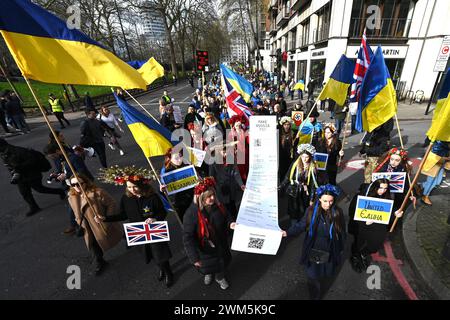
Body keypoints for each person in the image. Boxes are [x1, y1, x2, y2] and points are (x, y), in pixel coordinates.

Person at [98, 168, 174, 287]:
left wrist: (155, 219)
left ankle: (168, 272)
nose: (132, 190)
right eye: (128, 187)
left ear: (141, 185)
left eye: (134, 187)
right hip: (139, 232)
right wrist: (105, 219)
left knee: (160, 254)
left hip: (154, 229)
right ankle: (161, 268)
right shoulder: (126, 198)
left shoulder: (152, 197)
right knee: (151, 254)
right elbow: (123, 215)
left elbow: (162, 212)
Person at [281, 184, 346, 300]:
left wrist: (340, 248)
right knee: (312, 275)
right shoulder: (311, 211)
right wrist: (287, 232)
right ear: (319, 198)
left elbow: (341, 233)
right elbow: (301, 225)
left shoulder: (338, 212)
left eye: (331, 201)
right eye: (325, 201)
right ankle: (314, 296)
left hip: (329, 247)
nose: (328, 204)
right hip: (313, 247)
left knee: (325, 271)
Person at [183, 177, 236, 290]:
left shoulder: (218, 205)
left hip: (221, 244)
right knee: (208, 266)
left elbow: (227, 216)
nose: (212, 198)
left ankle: (219, 277)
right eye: (208, 196)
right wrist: (194, 258)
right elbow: (188, 238)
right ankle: (208, 273)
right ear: (201, 198)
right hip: (205, 249)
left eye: (213, 195)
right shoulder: (191, 214)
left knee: (222, 264)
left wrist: (231, 223)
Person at [67, 174, 123, 275]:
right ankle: (99, 262)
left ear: (85, 182)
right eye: (73, 184)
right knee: (93, 244)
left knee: (115, 234)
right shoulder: (72, 196)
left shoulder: (97, 192)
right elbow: (74, 211)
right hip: (86, 226)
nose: (77, 187)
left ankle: (129, 239)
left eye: (79, 183)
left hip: (99, 222)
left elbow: (111, 203)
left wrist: (107, 218)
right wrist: (76, 222)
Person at [347, 179, 404, 273]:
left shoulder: (387, 198)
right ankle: (356, 256)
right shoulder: (361, 196)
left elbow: (389, 213)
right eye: (380, 188)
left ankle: (363, 254)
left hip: (378, 228)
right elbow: (352, 212)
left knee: (374, 246)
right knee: (358, 244)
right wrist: (364, 220)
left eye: (385, 188)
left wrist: (396, 214)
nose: (383, 191)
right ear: (375, 187)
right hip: (362, 226)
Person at [0, 138, 65, 216]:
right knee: (24, 192)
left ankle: (60, 191)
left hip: (32, 175)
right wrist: (14, 173)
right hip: (21, 176)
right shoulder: (4, 154)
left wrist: (19, 167)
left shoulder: (18, 151)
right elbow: (10, 166)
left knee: (40, 189)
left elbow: (32, 161)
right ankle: (34, 207)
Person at [280, 144, 321, 226]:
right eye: (303, 157)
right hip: (294, 190)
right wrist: (281, 186)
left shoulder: (313, 167)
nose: (304, 159)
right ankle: (294, 223)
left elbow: (313, 184)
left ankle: (302, 223)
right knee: (293, 208)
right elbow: (287, 177)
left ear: (310, 157)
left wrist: (312, 199)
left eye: (306, 157)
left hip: (305, 191)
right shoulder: (294, 164)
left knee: (303, 208)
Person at [373, 147, 417, 214]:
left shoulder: (402, 168)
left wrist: (410, 194)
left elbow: (406, 183)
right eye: (392, 159)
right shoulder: (383, 167)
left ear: (401, 160)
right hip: (383, 195)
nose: (393, 162)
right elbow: (374, 183)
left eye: (397, 160)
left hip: (396, 196)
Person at [209, 146, 245, 219]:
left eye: (226, 151)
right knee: (228, 209)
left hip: (232, 187)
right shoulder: (213, 160)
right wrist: (215, 189)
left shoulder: (231, 157)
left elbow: (236, 172)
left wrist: (241, 184)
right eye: (223, 152)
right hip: (222, 190)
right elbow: (211, 176)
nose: (225, 154)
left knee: (236, 206)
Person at [160, 149, 195, 221]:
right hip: (178, 202)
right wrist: (162, 189)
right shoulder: (166, 171)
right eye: (176, 158)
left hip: (192, 199)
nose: (179, 160)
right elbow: (163, 189)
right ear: (170, 158)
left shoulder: (187, 165)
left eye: (181, 156)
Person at [359, 118, 394, 183]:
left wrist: (368, 150)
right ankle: (366, 188)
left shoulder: (383, 135)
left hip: (377, 160)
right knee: (367, 176)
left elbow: (382, 150)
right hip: (368, 159)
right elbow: (366, 142)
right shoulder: (370, 131)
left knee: (375, 179)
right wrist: (362, 151)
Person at [420, 141, 450, 206]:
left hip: (442, 161)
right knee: (432, 181)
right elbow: (435, 150)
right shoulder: (441, 139)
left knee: (437, 182)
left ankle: (421, 186)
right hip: (435, 161)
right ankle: (424, 196)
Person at [279, 116, 294, 181]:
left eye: (288, 125)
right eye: (285, 125)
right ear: (282, 125)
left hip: (289, 157)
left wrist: (296, 140)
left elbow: (294, 145)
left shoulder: (293, 134)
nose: (286, 126)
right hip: (281, 156)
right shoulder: (279, 134)